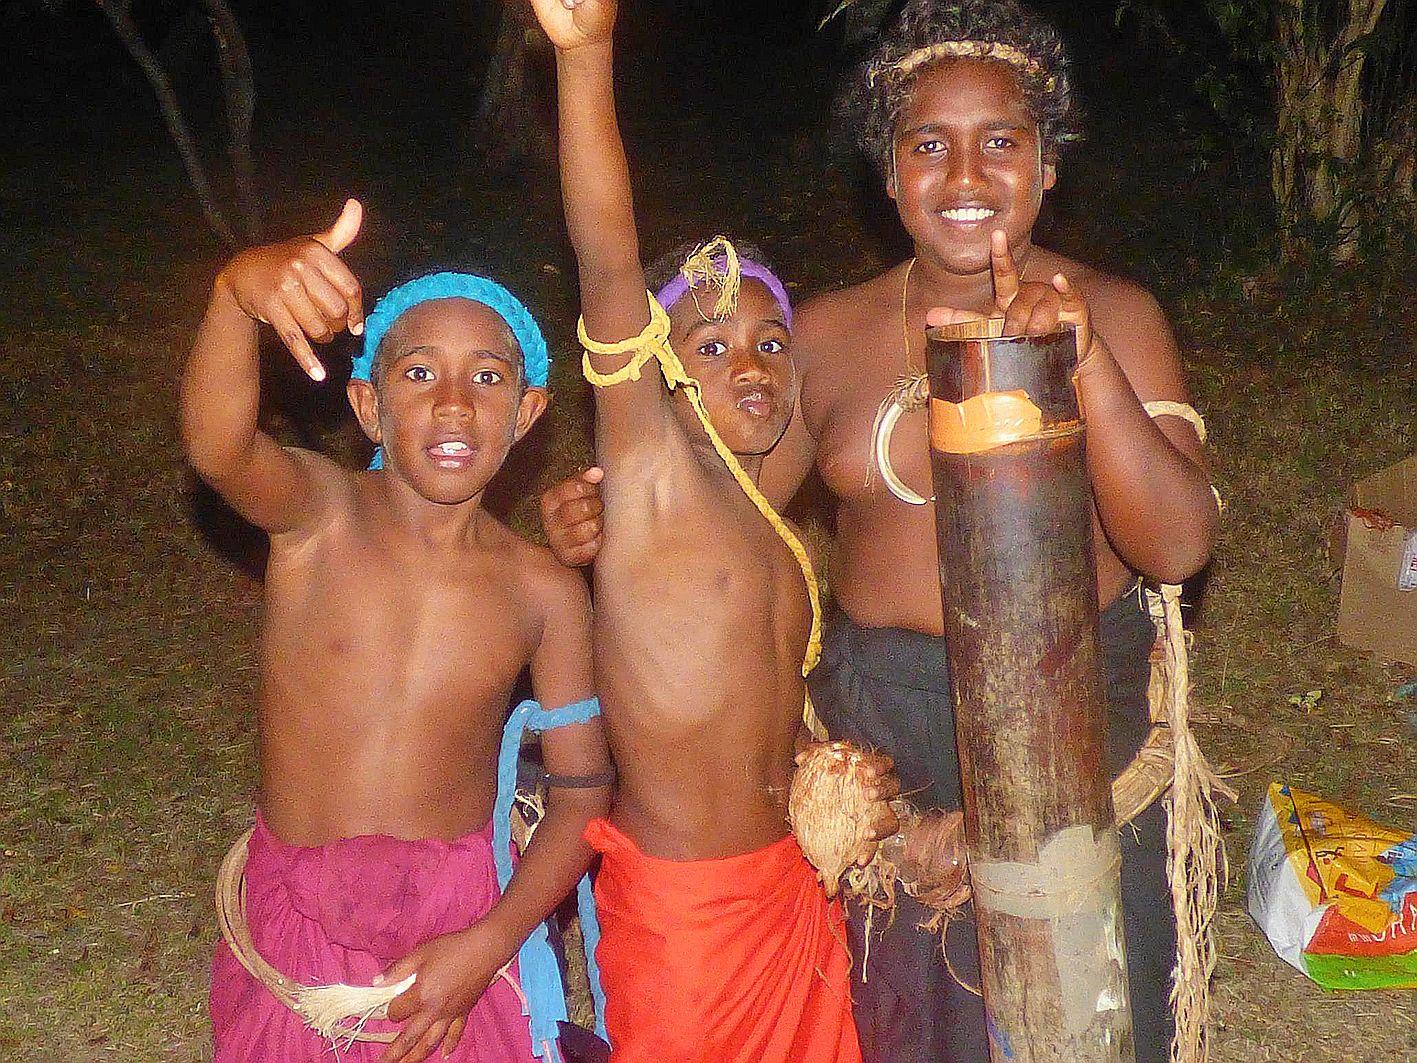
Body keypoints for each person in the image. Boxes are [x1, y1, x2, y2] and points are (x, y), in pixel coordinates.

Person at [541, 1, 1220, 1060]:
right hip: (881, 737)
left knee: (1073, 1022)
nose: (964, 174)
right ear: (888, 173)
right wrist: (607, 519)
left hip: (1071, 726)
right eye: (927, 144)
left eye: (1001, 141)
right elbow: (729, 507)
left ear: (1048, 167)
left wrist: (1083, 366)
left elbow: (1177, 548)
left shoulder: (1117, 316)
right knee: (897, 1024)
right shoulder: (824, 335)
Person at [527, 1, 903, 1060]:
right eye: (711, 343)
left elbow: (750, 699)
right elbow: (608, 257)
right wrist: (588, 56)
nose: (751, 365)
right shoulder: (648, 474)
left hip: (789, 892)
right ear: (653, 366)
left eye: (773, 343)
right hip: (687, 916)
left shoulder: (768, 518)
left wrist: (828, 773)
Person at [184, 198, 612, 1063]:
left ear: (526, 415)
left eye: (487, 377)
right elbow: (220, 448)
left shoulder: (543, 589)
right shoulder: (319, 515)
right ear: (369, 405)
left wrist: (487, 945)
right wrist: (237, 295)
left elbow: (581, 794)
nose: (453, 403)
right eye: (419, 374)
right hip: (300, 914)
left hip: (456, 922)